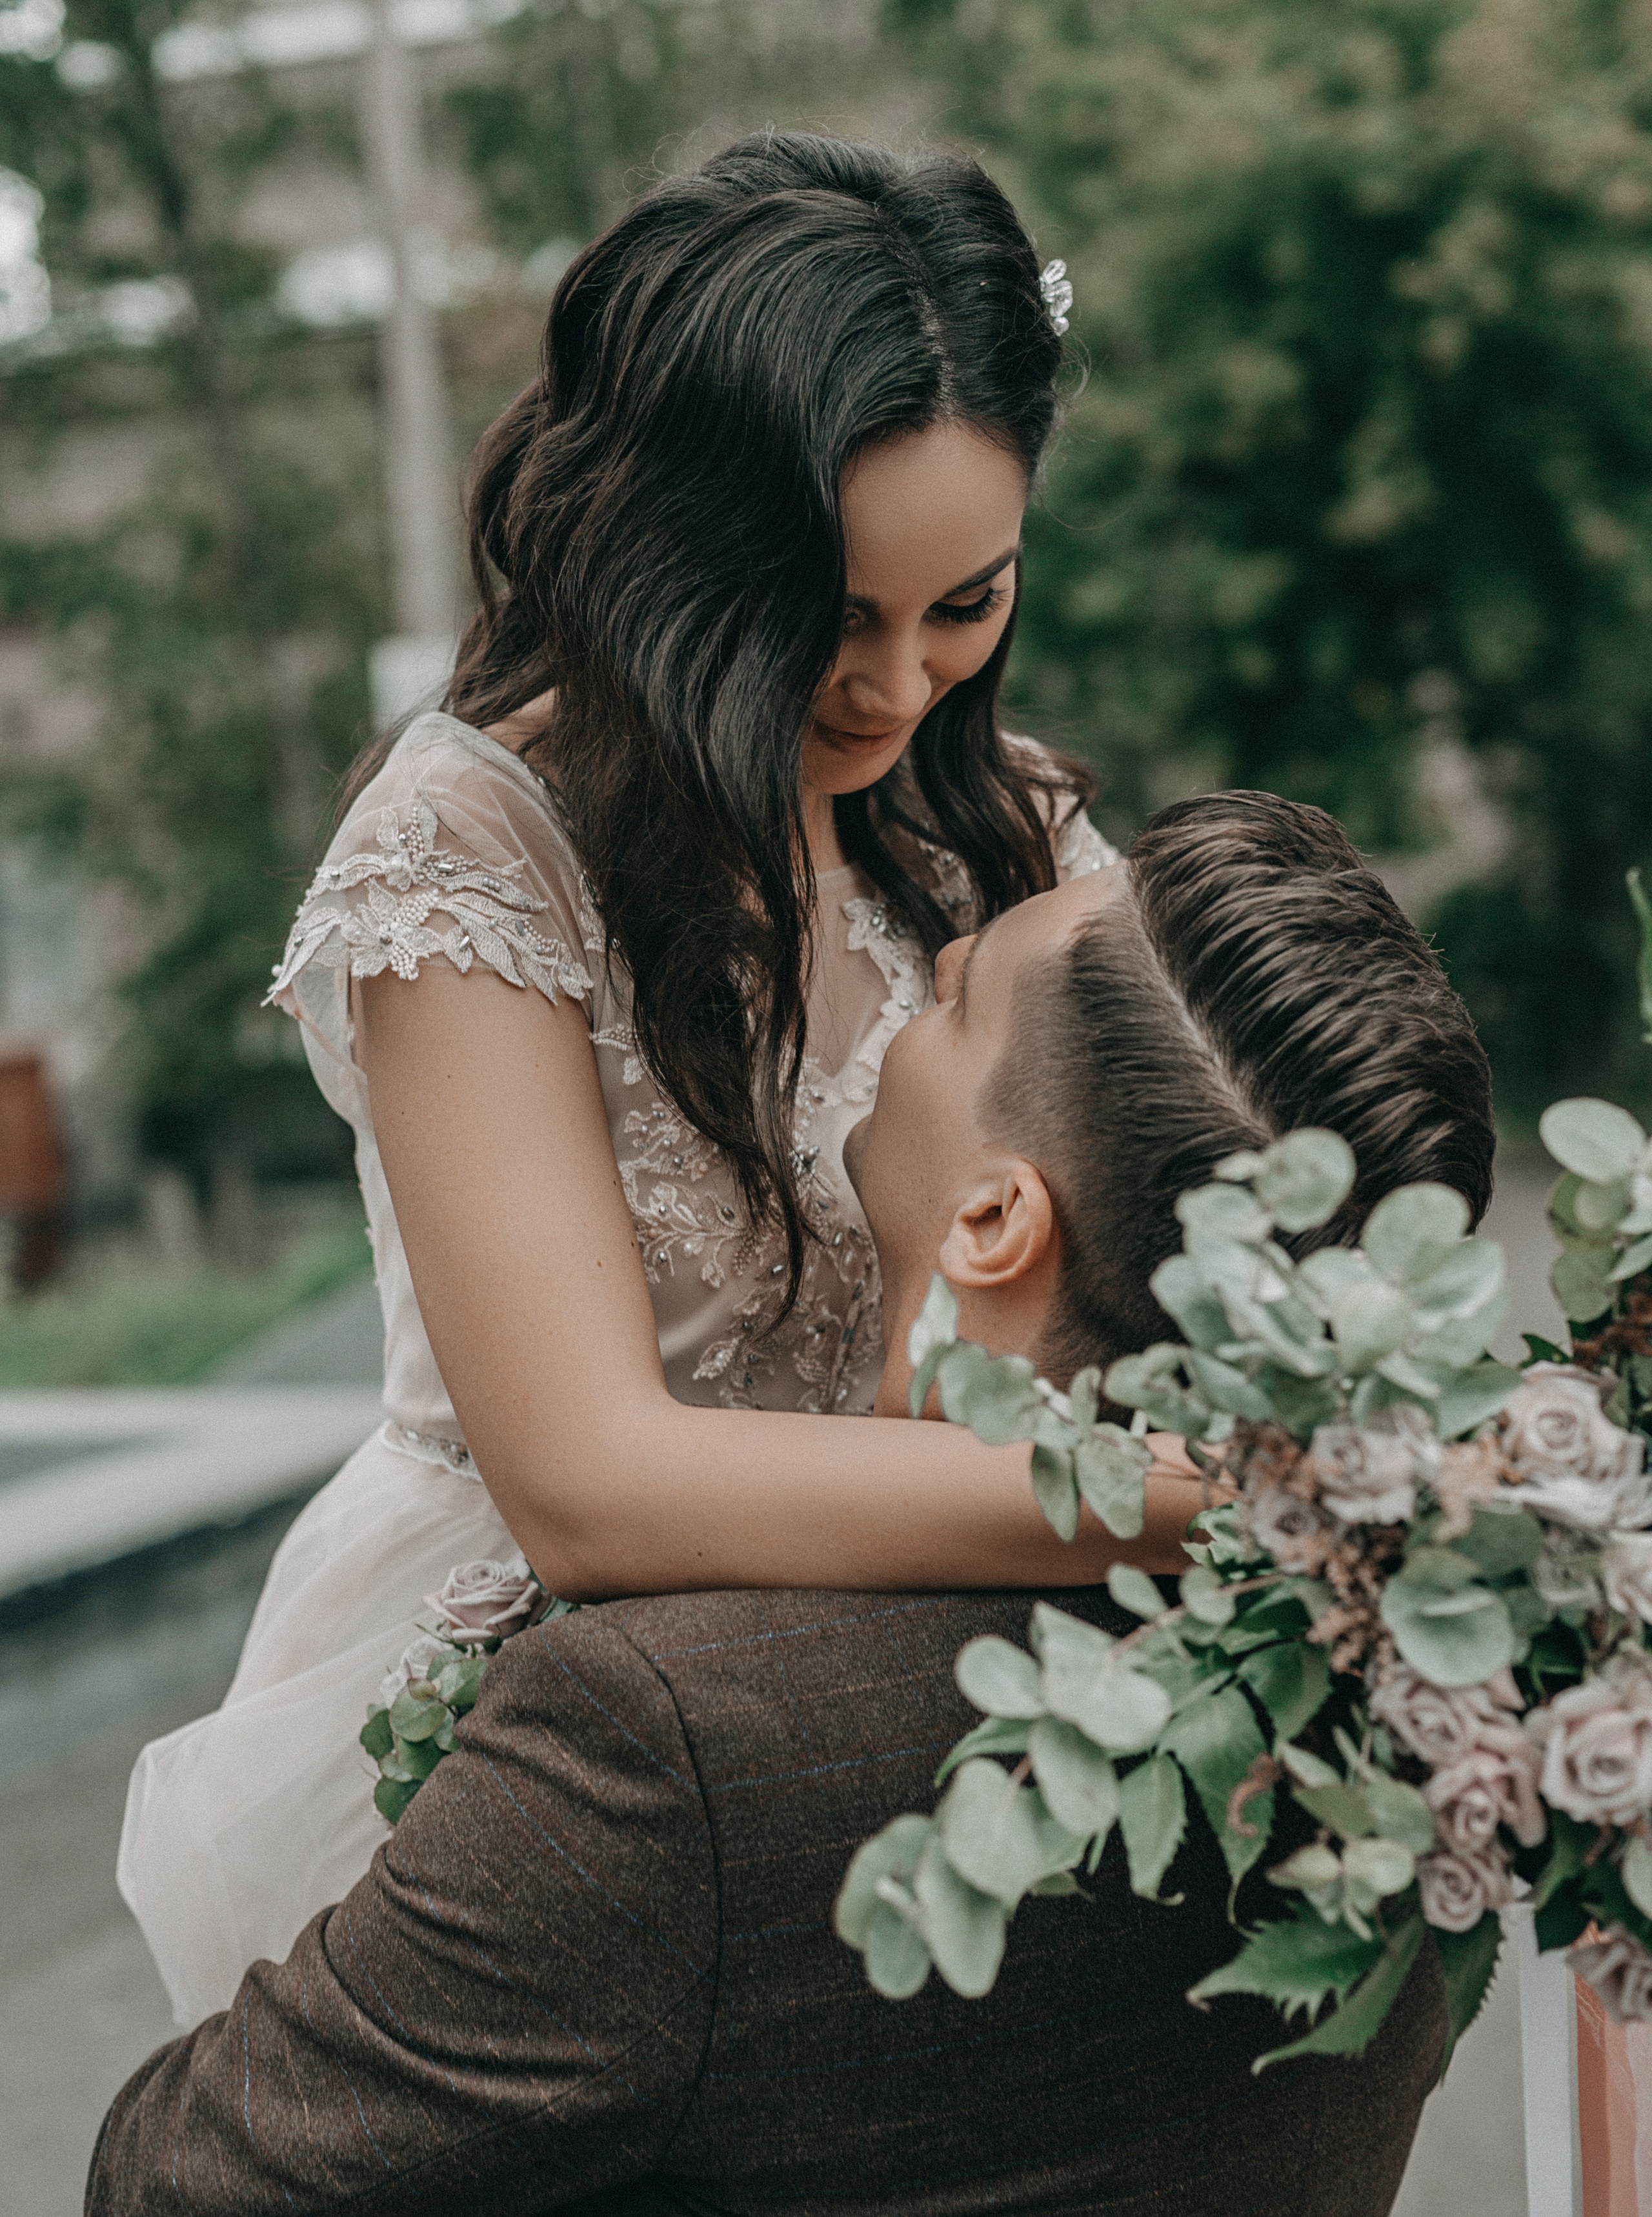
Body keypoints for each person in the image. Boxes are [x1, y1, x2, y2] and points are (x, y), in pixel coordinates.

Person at [119, 130, 1216, 2031]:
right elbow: (591, 1488)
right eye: (829, 614)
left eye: (965, 602)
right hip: (547, 1698)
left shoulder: (998, 817)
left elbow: (1179, 1196)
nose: (898, 688)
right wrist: (1183, 1489)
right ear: (671, 549)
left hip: (918, 1667)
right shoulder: (473, 846)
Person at [87, 789, 1493, 2217]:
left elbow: (178, 2177)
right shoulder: (1435, 1707)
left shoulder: (664, 1741)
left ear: (994, 1221)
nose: (938, 959)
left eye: (961, 1002)